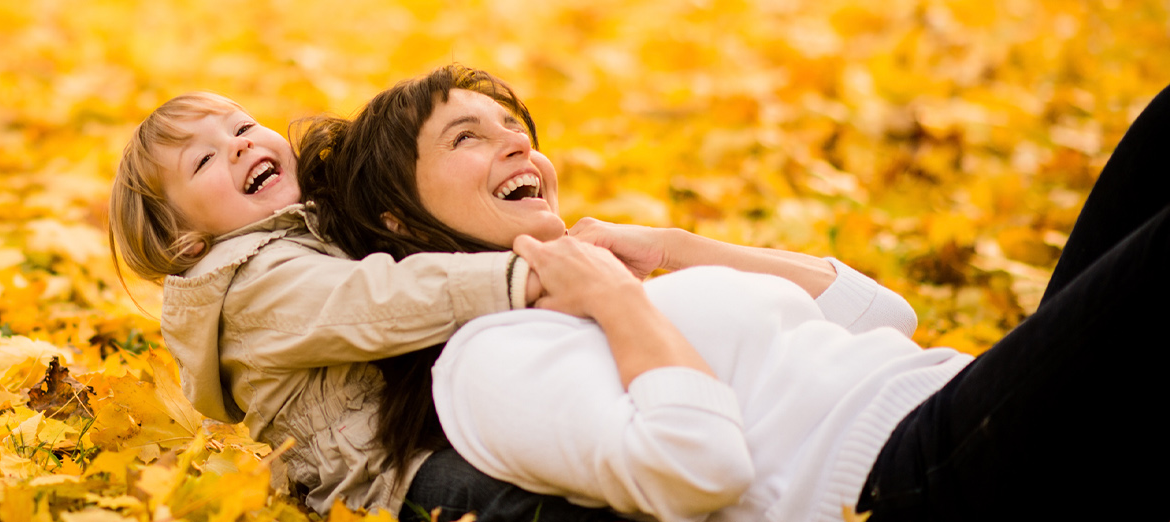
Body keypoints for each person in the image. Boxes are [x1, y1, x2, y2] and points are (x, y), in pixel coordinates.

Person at [305, 63, 1170, 522]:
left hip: (954, 388)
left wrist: (675, 248)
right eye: (469, 137)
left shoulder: (635, 271)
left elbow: (886, 318)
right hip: (903, 477)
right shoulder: (487, 360)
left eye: (518, 131)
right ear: (405, 224)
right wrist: (618, 304)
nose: (521, 150)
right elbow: (695, 472)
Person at [108, 91, 567, 515]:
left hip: (434, 425)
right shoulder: (251, 289)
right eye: (203, 159)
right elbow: (376, 301)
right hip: (387, 478)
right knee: (520, 503)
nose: (239, 147)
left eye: (243, 128)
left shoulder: (306, 230)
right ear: (186, 240)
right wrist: (519, 276)